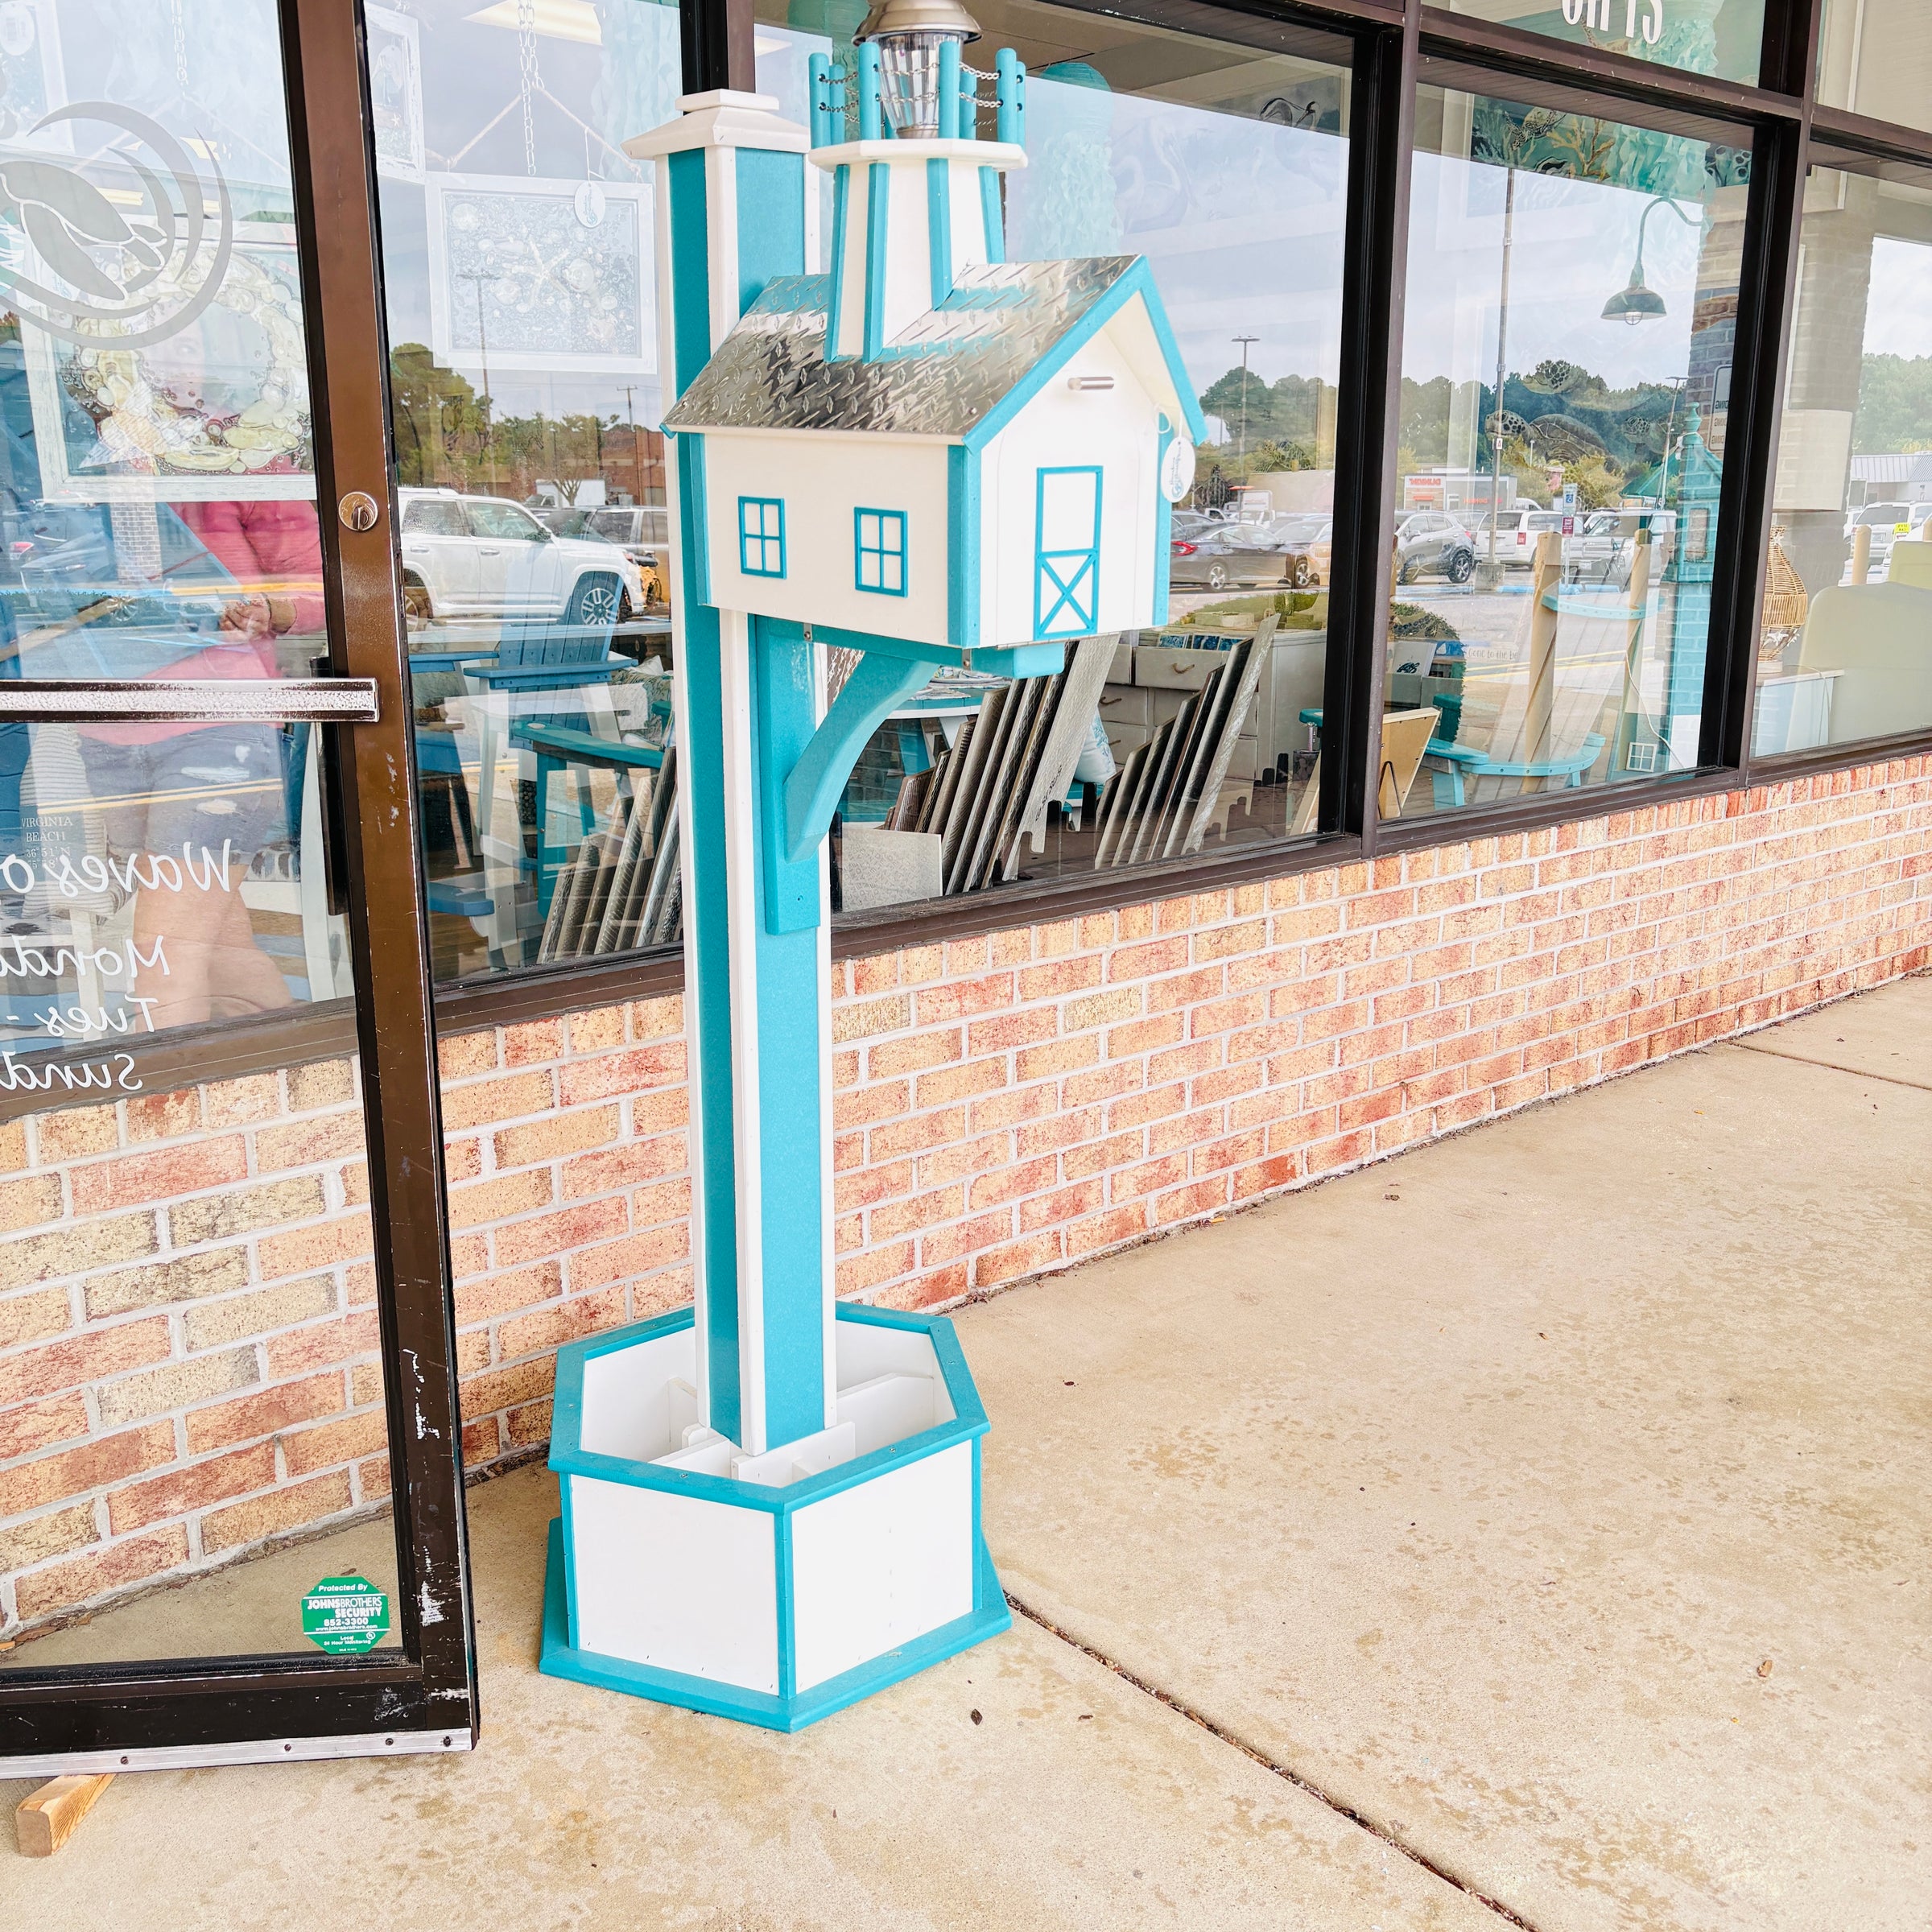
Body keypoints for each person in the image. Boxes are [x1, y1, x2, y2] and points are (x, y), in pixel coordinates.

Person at [75, 497, 327, 1029]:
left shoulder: (238, 458)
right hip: (107, 729)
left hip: (216, 727)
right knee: (219, 946)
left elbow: (333, 583)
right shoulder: (72, 454)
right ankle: (298, 1072)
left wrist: (270, 610)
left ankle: (155, 1105)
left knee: (163, 955)